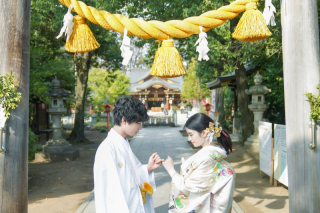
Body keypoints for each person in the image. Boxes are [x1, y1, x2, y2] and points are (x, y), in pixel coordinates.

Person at [94, 96, 163, 213]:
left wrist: (148, 168)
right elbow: (106, 192)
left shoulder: (122, 142)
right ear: (124, 120)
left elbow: (132, 174)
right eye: (138, 123)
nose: (140, 128)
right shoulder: (107, 148)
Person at [162, 113, 235, 213]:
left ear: (204, 133)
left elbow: (190, 189)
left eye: (191, 134)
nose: (189, 139)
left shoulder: (207, 158)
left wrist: (171, 171)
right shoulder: (212, 155)